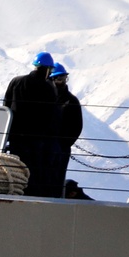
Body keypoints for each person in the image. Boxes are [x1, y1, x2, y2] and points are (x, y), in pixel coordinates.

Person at [3, 52, 61, 197]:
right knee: (33, 173)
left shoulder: (16, 82)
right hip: (36, 140)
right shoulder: (48, 88)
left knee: (16, 169)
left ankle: (15, 191)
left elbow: (6, 107)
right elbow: (51, 116)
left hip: (16, 137)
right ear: (48, 69)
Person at [50, 62, 83, 192]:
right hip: (43, 148)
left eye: (64, 78)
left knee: (57, 181)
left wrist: (63, 144)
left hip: (60, 149)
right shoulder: (45, 99)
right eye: (59, 78)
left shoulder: (71, 101)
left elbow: (77, 127)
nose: (62, 82)